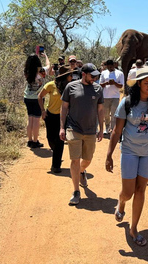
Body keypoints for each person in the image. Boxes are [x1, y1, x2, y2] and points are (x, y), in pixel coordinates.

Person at [105, 66, 148, 246]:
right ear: (139, 84)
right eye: (146, 83)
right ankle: (121, 202)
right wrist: (109, 154)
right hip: (130, 151)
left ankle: (133, 228)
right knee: (128, 192)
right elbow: (117, 131)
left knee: (141, 190)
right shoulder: (127, 102)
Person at [60, 63, 104, 205]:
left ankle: (81, 171)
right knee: (74, 160)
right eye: (92, 76)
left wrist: (101, 128)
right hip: (73, 128)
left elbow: (100, 110)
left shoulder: (98, 89)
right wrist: (62, 127)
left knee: (87, 159)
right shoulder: (71, 87)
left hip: (91, 130)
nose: (95, 79)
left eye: (97, 76)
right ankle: (75, 191)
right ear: (84, 74)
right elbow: (64, 108)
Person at [38, 66, 74, 173]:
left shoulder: (70, 87)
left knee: (60, 141)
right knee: (50, 139)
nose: (72, 77)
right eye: (70, 75)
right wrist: (42, 111)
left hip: (62, 117)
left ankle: (56, 165)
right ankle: (56, 152)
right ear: (65, 77)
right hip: (50, 116)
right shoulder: (51, 85)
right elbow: (40, 97)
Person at [23, 51, 50, 148]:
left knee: (30, 119)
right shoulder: (42, 71)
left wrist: (35, 57)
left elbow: (32, 65)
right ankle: (35, 141)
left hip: (27, 97)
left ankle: (29, 140)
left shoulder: (26, 71)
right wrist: (46, 56)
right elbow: (48, 65)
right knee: (36, 120)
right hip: (37, 98)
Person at [99, 59, 125, 134]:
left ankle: (113, 128)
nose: (110, 68)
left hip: (115, 97)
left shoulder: (120, 73)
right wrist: (106, 83)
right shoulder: (103, 73)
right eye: (108, 67)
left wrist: (114, 83)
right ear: (106, 66)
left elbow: (121, 86)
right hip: (105, 96)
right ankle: (107, 128)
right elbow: (100, 85)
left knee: (114, 114)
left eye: (111, 67)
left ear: (114, 65)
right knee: (106, 114)